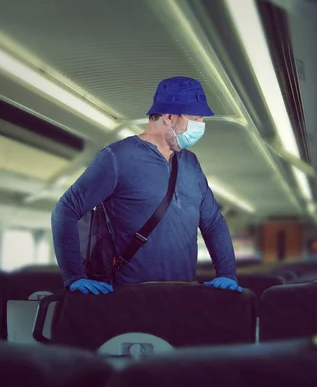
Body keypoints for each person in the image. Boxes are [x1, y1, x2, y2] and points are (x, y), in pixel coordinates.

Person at [52, 76, 242, 295]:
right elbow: (66, 209)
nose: (201, 126)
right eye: (196, 119)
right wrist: (74, 276)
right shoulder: (117, 158)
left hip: (183, 295)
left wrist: (227, 273)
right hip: (130, 297)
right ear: (169, 117)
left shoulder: (190, 164)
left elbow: (213, 222)